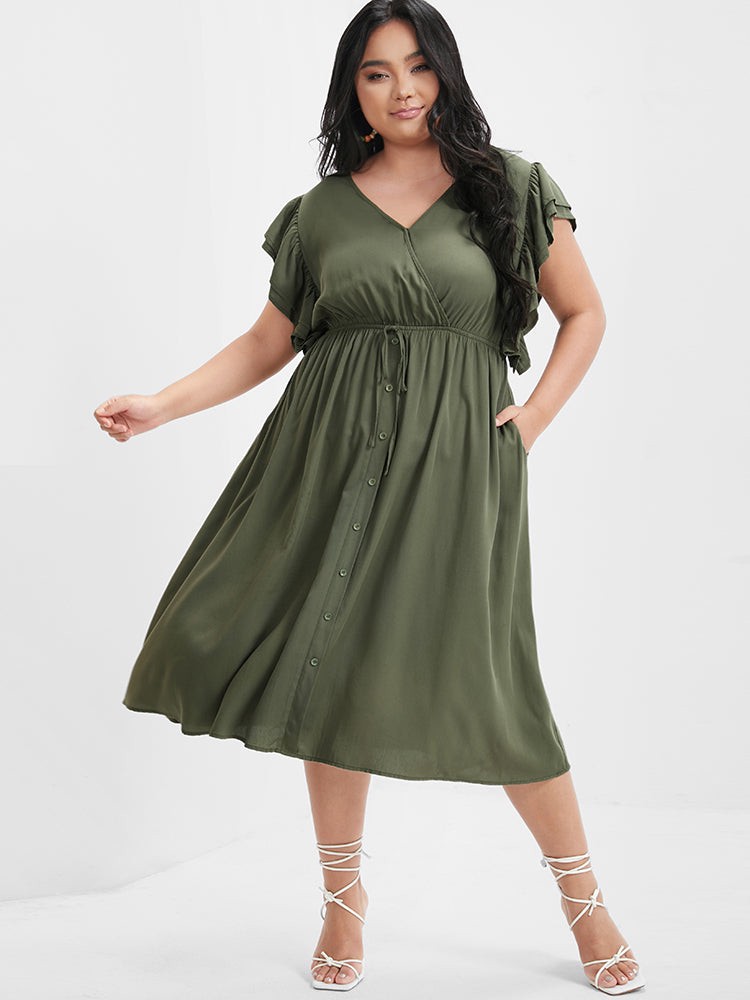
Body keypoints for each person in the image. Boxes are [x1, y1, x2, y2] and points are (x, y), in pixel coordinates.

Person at [93, 1, 644, 994]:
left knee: (495, 678)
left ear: (447, 74)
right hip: (327, 458)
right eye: (377, 72)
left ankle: (585, 900)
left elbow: (585, 311)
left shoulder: (509, 187)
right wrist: (162, 405)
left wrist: (534, 420)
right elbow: (267, 343)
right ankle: (343, 906)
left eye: (419, 66)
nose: (403, 90)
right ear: (352, 88)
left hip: (458, 463)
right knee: (329, 665)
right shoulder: (321, 213)